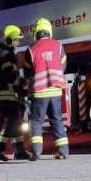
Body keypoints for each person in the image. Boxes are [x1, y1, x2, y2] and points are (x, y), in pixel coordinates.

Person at [24, 17, 69, 160]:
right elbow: (63, 65)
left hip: (39, 92)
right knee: (57, 120)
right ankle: (63, 151)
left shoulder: (31, 49)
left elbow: (27, 72)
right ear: (49, 31)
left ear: (36, 33)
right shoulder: (59, 46)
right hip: (55, 90)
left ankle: (36, 152)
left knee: (37, 121)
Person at [0, 24, 29, 161]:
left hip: (8, 94)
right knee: (10, 124)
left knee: (15, 123)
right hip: (7, 95)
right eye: (16, 40)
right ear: (10, 41)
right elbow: (9, 76)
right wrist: (21, 84)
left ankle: (19, 151)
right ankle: (0, 149)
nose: (18, 43)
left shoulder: (7, 54)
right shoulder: (6, 56)